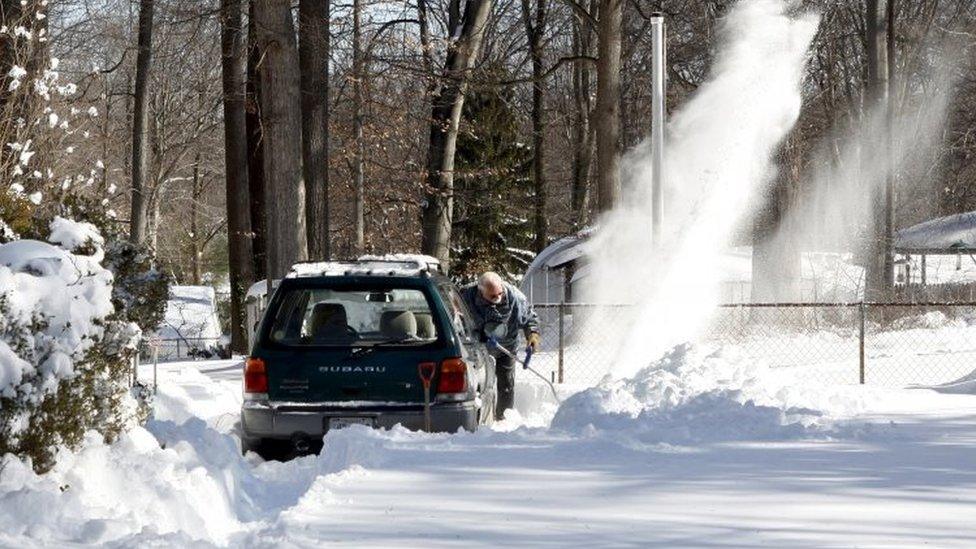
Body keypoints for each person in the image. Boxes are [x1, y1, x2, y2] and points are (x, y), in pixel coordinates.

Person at [460, 271, 540, 420]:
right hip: (480, 349)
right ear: (481, 291)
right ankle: (481, 420)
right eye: (492, 296)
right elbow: (455, 315)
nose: (498, 298)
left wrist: (533, 335)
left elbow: (530, 319)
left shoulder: (516, 298)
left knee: (506, 385)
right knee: (482, 386)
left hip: (506, 348)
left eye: (500, 294)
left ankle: (504, 419)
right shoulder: (467, 297)